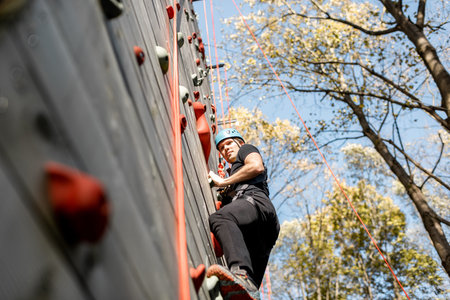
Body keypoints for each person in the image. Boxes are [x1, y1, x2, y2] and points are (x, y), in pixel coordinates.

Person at [207, 128, 280, 300]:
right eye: (221, 148)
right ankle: (245, 285)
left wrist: (223, 181)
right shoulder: (235, 175)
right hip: (261, 231)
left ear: (239, 143)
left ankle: (239, 271)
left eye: (228, 144)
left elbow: (256, 166)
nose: (225, 149)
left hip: (256, 203)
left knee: (221, 217)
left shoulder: (246, 150)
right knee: (249, 288)